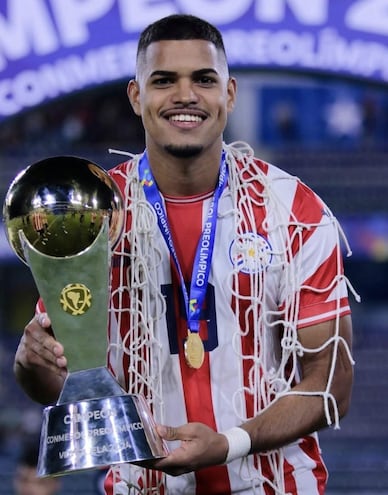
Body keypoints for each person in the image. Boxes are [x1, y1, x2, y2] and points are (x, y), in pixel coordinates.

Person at [13, 14, 356, 495]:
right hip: (140, 487)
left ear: (229, 93)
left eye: (204, 79)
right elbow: (70, 382)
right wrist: (33, 368)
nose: (185, 96)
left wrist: (229, 443)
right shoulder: (95, 209)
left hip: (273, 486)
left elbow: (331, 383)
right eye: (163, 80)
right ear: (136, 96)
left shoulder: (291, 209)